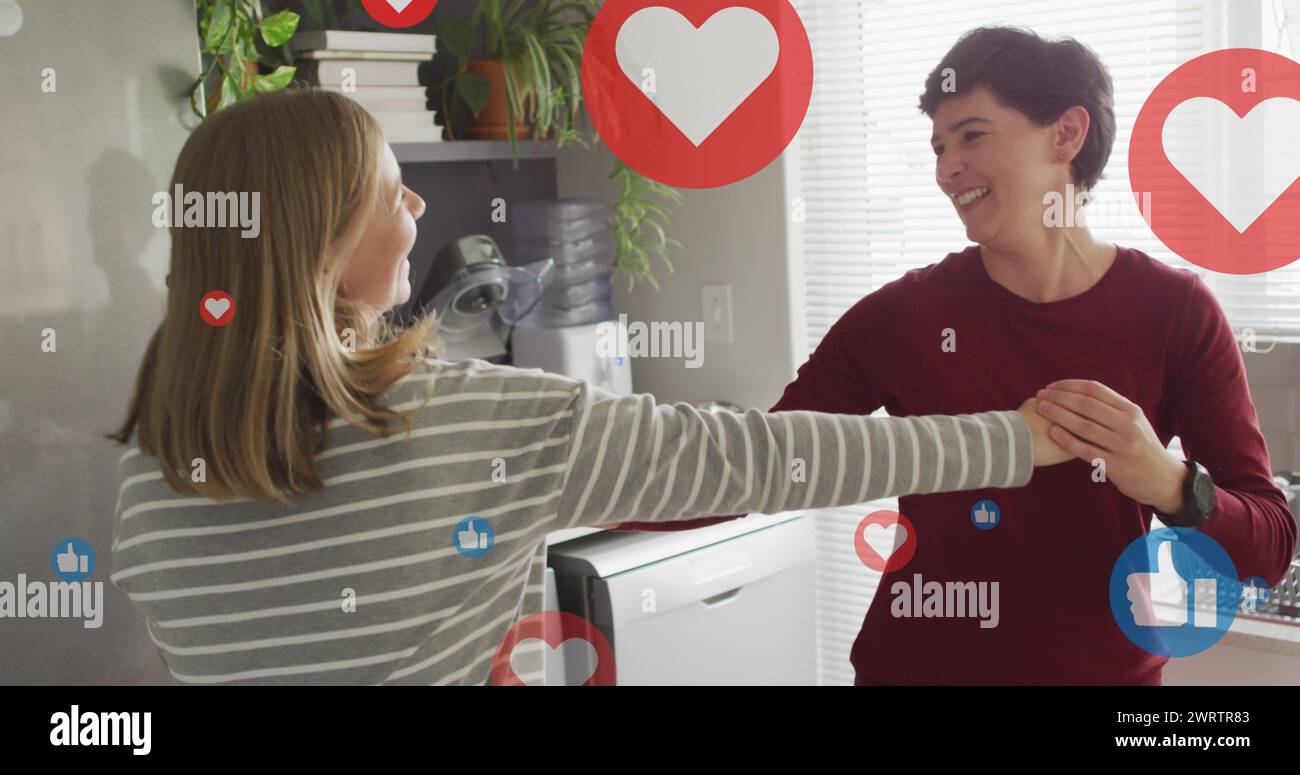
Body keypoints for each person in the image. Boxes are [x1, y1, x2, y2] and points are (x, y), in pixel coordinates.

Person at [106, 88, 1069, 685]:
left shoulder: (151, 477)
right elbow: (763, 459)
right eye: (390, 189)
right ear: (323, 238)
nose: (415, 205)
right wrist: (1017, 438)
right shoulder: (463, 419)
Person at [617, 25, 1297, 685]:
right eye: (939, 146)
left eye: (972, 136)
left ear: (1066, 133)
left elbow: (1266, 548)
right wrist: (574, 478)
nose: (946, 169)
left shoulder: (1175, 312)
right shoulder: (903, 315)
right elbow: (756, 466)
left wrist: (1170, 482)